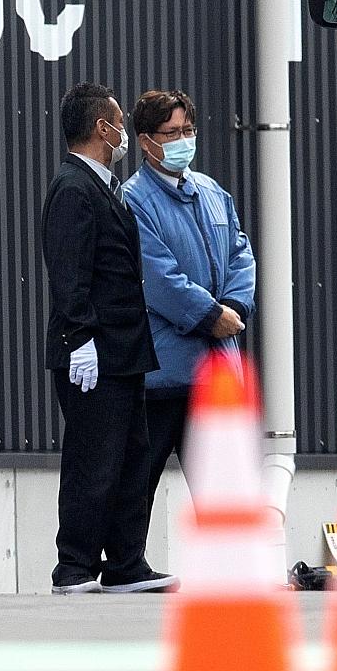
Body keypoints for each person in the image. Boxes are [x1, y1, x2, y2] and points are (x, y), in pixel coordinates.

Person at [42, 82, 178, 596]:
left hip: (123, 353)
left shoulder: (100, 186)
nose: (123, 133)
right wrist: (79, 338)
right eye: (119, 122)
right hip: (93, 353)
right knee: (92, 462)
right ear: (104, 127)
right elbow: (69, 272)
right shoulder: (73, 188)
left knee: (130, 460)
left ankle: (126, 562)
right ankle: (74, 566)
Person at [121, 89, 255, 519]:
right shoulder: (134, 199)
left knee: (224, 487)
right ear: (146, 141)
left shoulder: (212, 192)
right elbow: (157, 277)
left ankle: (234, 572)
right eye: (172, 132)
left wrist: (234, 305)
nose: (183, 140)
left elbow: (240, 252)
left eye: (188, 130)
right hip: (166, 369)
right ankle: (126, 568)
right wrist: (210, 316)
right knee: (140, 481)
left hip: (216, 368)